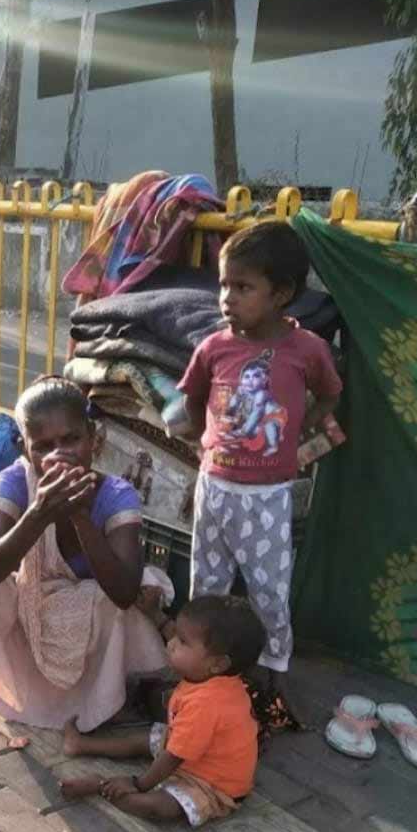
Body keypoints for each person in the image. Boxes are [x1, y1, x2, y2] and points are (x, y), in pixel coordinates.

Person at [0, 377, 168, 731]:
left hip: (87, 617)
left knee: (127, 594)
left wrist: (79, 515)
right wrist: (39, 512)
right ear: (25, 450)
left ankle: (99, 696)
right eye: (44, 447)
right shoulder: (15, 481)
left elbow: (124, 593)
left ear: (93, 439)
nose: (59, 455)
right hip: (31, 603)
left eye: (71, 439)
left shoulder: (115, 493)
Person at [179, 223, 341, 687]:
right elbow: (193, 398)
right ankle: (203, 671)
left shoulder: (307, 350)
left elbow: (330, 392)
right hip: (215, 489)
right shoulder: (214, 348)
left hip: (267, 498)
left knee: (268, 589)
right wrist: (205, 439)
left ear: (281, 294)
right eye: (224, 285)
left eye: (243, 287)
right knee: (206, 585)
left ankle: (273, 674)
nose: (226, 298)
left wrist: (304, 425)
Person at [60, 594, 265, 827]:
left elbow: (173, 757)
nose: (172, 643)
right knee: (148, 737)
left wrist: (138, 784)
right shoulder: (213, 677)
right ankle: (80, 744)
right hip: (194, 755)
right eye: (176, 635)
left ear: (217, 664)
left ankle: (100, 786)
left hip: (212, 784)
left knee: (159, 807)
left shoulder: (207, 704)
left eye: (183, 642)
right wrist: (156, 615)